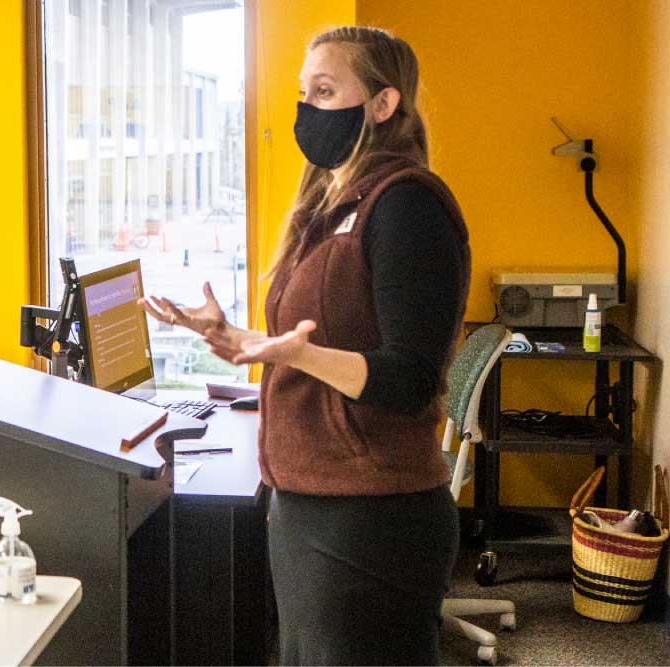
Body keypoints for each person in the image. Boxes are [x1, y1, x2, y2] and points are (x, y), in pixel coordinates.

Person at [142, 26, 468, 665]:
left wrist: (292, 356)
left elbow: (410, 380)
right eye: (303, 92)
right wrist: (242, 340)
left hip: (372, 516)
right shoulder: (330, 203)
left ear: (382, 104)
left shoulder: (406, 206)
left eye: (325, 91)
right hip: (309, 501)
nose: (306, 110)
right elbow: (325, 333)